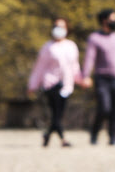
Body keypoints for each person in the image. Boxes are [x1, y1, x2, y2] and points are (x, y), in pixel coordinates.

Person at [27, 17, 82, 147]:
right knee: (56, 113)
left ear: (67, 29)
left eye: (62, 27)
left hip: (66, 85)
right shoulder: (47, 47)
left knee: (58, 114)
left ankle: (47, 135)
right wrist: (32, 85)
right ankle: (63, 140)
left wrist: (81, 79)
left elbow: (74, 66)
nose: (59, 30)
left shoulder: (71, 46)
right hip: (51, 84)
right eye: (56, 26)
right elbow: (39, 68)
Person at [82, 9, 115, 145]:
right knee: (104, 107)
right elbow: (89, 58)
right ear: (104, 20)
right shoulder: (95, 38)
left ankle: (113, 138)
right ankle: (95, 131)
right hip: (101, 78)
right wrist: (86, 75)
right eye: (113, 19)